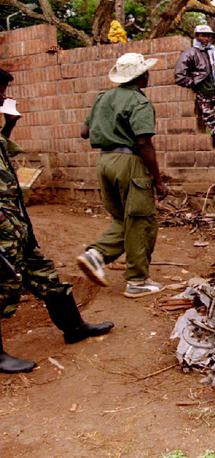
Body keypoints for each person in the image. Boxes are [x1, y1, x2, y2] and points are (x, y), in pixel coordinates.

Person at [0, 68, 114, 374]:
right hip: (0, 232)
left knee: (45, 275)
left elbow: (5, 153)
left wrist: (8, 126)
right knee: (2, 285)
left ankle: (74, 327)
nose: (2, 98)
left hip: (14, 226)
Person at [77, 53, 168, 299]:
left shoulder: (102, 98)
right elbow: (144, 142)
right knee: (140, 221)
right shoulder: (139, 102)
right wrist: (157, 179)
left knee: (121, 219)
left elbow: (85, 132)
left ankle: (95, 255)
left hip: (105, 162)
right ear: (141, 75)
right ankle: (137, 281)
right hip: (130, 163)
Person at [175, 25, 215, 151]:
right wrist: (194, 83)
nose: (207, 38)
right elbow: (179, 76)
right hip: (204, 91)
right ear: (197, 36)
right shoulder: (190, 53)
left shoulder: (213, 52)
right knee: (210, 116)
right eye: (204, 35)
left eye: (209, 36)